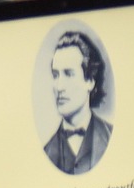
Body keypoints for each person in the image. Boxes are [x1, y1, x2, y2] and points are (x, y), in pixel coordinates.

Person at [42, 31, 113, 175]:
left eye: (69, 74)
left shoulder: (110, 136)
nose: (59, 87)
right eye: (55, 75)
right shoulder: (46, 152)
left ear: (90, 81)